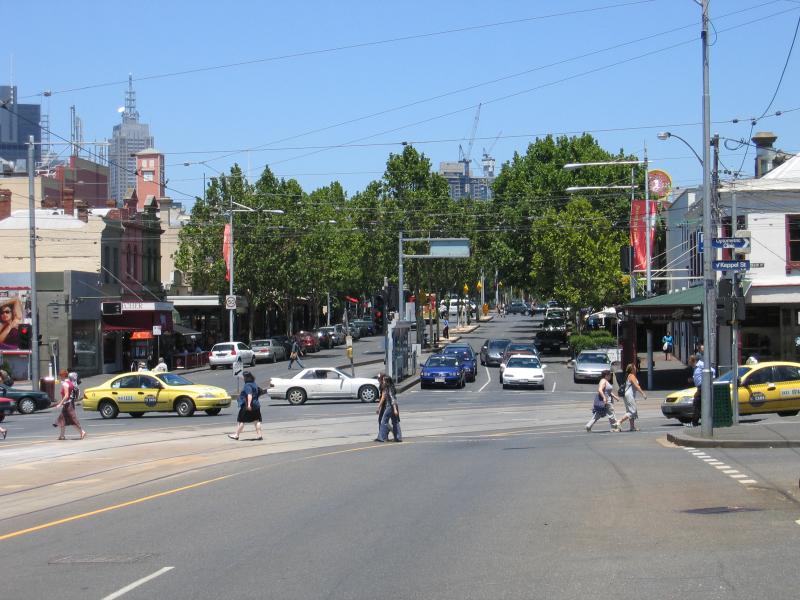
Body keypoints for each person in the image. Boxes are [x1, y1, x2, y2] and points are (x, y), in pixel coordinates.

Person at [228, 371, 263, 440]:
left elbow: (249, 395)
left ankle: (236, 435)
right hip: (256, 405)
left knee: (241, 420)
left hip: (247, 405)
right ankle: (259, 435)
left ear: (246, 378)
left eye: (244, 377)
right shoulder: (254, 384)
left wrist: (249, 405)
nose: (243, 378)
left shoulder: (247, 385)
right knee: (256, 420)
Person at [54, 370, 86, 440]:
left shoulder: (65, 384)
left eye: (60, 376)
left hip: (68, 404)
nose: (60, 377)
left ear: (62, 376)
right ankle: (62, 436)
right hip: (69, 403)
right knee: (62, 419)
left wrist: (60, 404)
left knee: (72, 419)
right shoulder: (70, 382)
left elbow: (66, 395)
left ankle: (82, 432)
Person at [617, 363, 646, 432]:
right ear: (632, 369)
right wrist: (643, 393)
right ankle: (619, 421)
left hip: (628, 395)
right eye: (635, 367)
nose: (636, 368)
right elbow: (637, 386)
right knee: (632, 411)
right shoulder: (632, 376)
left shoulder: (629, 376)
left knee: (629, 411)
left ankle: (632, 427)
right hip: (629, 395)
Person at [375, 374, 402, 442]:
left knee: (384, 421)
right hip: (392, 406)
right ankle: (398, 437)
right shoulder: (389, 388)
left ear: (387, 382)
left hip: (390, 406)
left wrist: (395, 409)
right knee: (395, 422)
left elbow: (393, 399)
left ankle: (382, 437)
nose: (382, 381)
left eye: (383, 380)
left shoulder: (389, 389)